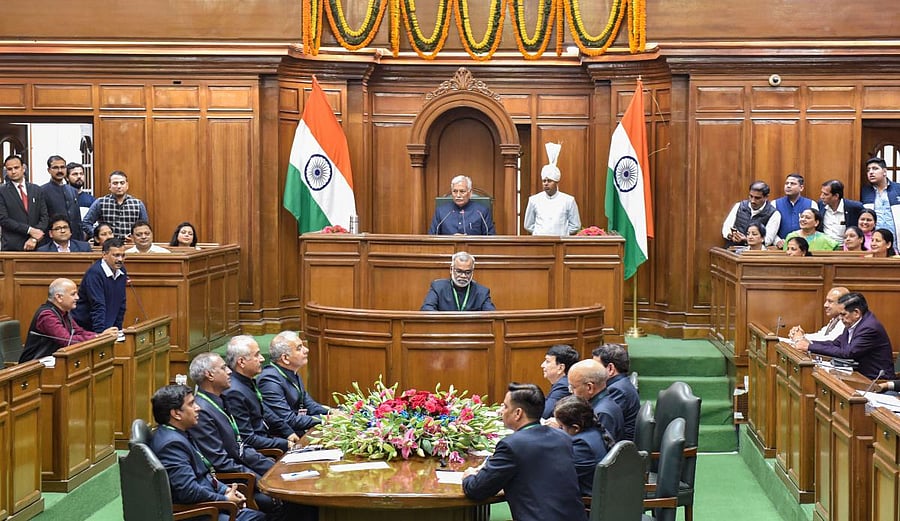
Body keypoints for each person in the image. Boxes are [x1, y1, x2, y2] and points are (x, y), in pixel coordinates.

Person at [461, 383, 586, 521]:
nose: (502, 410)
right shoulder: (563, 437)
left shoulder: (511, 445)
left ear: (518, 413)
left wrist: (468, 476)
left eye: (505, 406)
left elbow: (477, 489)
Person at [149, 385, 267, 521]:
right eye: (191, 404)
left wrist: (225, 490)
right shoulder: (171, 445)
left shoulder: (180, 433)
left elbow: (204, 474)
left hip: (209, 502)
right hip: (200, 512)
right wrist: (224, 499)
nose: (198, 408)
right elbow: (189, 491)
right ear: (176, 413)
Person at [187, 353, 278, 513]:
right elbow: (220, 462)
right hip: (232, 481)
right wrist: (260, 479)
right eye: (223, 368)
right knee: (282, 501)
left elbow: (240, 446)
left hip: (243, 469)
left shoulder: (221, 400)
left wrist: (272, 468)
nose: (229, 371)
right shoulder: (202, 412)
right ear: (210, 375)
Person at [222, 335, 301, 453]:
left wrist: (287, 431)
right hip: (262, 452)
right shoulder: (234, 392)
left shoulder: (246, 381)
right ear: (242, 362)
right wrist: (284, 444)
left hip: (269, 440)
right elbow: (247, 439)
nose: (262, 359)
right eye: (256, 355)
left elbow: (264, 411)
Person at [795, 292, 895, 380]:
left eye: (843, 314)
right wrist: (808, 343)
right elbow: (836, 343)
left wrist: (809, 346)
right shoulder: (853, 322)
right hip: (858, 377)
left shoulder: (869, 328)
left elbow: (848, 353)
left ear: (856, 313)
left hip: (876, 382)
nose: (840, 318)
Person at [19, 278, 118, 362]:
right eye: (73, 294)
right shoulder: (47, 315)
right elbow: (66, 340)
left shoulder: (64, 312)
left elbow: (79, 332)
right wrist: (98, 337)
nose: (77, 298)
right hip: (33, 366)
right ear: (59, 297)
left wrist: (100, 336)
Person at [257, 331, 329, 436]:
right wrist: (327, 418)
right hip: (285, 438)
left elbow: (309, 405)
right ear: (285, 358)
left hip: (300, 431)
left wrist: (332, 412)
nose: (306, 350)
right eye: (299, 348)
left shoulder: (291, 372)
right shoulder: (269, 380)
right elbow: (288, 420)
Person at [552, 395, 610, 496]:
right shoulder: (595, 431)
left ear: (575, 428)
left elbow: (557, 475)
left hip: (587, 504)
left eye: (561, 427)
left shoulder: (583, 446)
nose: (558, 430)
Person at [71, 237, 128, 333]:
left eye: (123, 255)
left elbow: (121, 303)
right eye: (116, 255)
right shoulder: (95, 273)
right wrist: (101, 334)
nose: (120, 259)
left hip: (107, 326)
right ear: (104, 255)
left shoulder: (121, 271)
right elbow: (97, 304)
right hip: (85, 328)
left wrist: (118, 329)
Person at [523, 142, 581, 236]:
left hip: (561, 243)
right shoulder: (534, 200)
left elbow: (575, 225)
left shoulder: (568, 200)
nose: (546, 183)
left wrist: (563, 233)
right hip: (539, 243)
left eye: (549, 181)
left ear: (556, 182)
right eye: (544, 181)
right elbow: (528, 224)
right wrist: (540, 233)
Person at [565, 359, 625, 442]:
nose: (570, 391)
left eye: (573, 387)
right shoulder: (602, 404)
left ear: (589, 387)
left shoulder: (601, 413)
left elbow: (598, 448)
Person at [592, 343, 640, 441]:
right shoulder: (621, 383)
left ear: (610, 368)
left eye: (596, 367)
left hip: (621, 450)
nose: (592, 371)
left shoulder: (617, 390)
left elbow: (604, 422)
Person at [0, 154, 48, 251]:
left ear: (23, 168)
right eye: (9, 169)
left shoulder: (36, 189)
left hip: (38, 245)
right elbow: (4, 219)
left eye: (16, 168)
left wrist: (34, 238)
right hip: (13, 246)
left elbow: (44, 216)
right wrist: (30, 230)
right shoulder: (2, 191)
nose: (13, 171)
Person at [82, 170, 149, 239]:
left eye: (122, 183)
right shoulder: (100, 202)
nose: (119, 186)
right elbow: (86, 223)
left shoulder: (137, 204)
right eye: (115, 183)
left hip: (130, 246)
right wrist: (99, 236)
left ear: (127, 185)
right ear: (109, 186)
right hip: (107, 246)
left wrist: (135, 237)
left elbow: (145, 227)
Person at [420, 251, 495, 311]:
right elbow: (426, 310)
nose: (463, 276)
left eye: (467, 272)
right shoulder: (438, 288)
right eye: (459, 271)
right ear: (451, 269)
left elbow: (491, 316)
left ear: (472, 272)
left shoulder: (482, 292)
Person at [428, 175, 495, 235]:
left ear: (470, 193)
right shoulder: (441, 211)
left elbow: (490, 237)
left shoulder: (482, 211)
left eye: (462, 191)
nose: (458, 195)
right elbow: (432, 236)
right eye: (455, 191)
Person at [722, 180, 780, 247]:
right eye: (751, 196)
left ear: (766, 197)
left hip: (754, 254)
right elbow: (726, 227)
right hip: (733, 250)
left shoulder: (774, 214)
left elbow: (768, 240)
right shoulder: (739, 206)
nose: (752, 200)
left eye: (757, 198)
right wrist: (731, 236)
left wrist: (746, 240)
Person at [42, 155, 85, 241]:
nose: (60, 170)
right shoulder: (42, 191)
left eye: (62, 167)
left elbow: (77, 218)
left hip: (74, 240)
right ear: (49, 170)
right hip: (52, 240)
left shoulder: (73, 191)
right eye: (56, 168)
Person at [861, 157, 900, 242]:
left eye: (875, 169)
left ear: (884, 172)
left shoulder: (898, 189)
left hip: (896, 240)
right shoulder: (864, 191)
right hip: (874, 242)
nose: (871, 172)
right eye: (868, 170)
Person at [774, 173, 815, 248]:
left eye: (792, 184)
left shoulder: (812, 204)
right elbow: (770, 228)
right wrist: (777, 241)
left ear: (801, 188)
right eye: (786, 183)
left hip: (805, 246)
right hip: (781, 247)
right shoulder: (774, 204)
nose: (788, 186)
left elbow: (815, 227)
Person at [818, 179, 863, 246]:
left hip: (845, 248)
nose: (821, 197)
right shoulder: (820, 205)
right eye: (822, 193)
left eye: (825, 194)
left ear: (836, 196)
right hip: (825, 248)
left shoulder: (854, 207)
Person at [540, 344, 579, 419]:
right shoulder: (563, 382)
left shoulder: (563, 386)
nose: (542, 365)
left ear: (560, 368)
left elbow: (545, 414)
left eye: (547, 361)